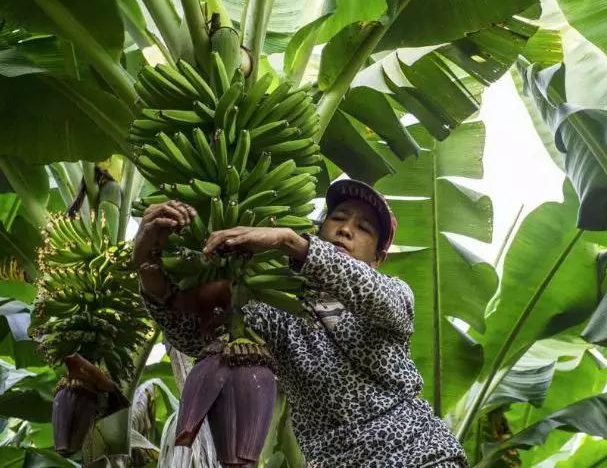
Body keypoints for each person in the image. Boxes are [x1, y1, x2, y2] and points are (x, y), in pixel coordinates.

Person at [133, 179, 469, 467]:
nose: (346, 229)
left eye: (364, 228)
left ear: (378, 258)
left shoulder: (393, 297)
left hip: (420, 455)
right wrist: (149, 269)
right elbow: (195, 336)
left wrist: (288, 242)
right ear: (321, 229)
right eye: (338, 218)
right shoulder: (284, 312)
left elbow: (370, 292)